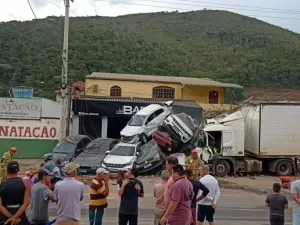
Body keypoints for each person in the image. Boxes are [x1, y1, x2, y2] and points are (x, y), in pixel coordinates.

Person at [0, 161, 30, 225]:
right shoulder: (25, 183)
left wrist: (11, 217)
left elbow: (0, 206)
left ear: (7, 171)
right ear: (18, 170)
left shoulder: (1, 184)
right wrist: (15, 217)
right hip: (20, 218)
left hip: (5, 218)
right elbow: (26, 203)